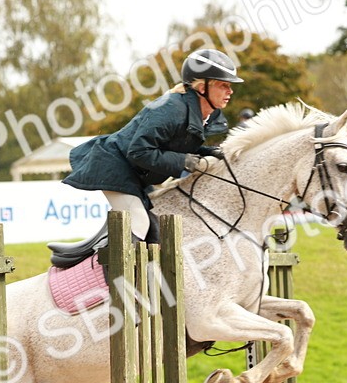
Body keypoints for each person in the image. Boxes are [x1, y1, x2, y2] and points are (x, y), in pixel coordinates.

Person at [60, 47, 241, 245]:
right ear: (202, 87)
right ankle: (103, 273)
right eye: (224, 85)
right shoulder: (171, 108)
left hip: (134, 174)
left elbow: (173, 145)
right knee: (138, 223)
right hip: (114, 167)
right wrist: (183, 161)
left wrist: (206, 152)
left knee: (155, 231)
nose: (230, 91)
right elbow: (139, 150)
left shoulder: (200, 112)